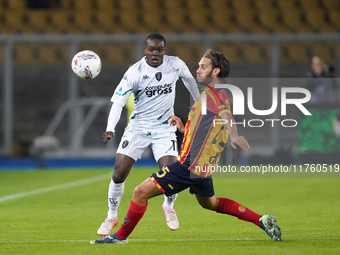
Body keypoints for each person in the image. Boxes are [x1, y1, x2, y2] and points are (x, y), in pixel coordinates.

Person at [91, 49, 282, 244]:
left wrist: (234, 135)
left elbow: (226, 115)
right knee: (212, 203)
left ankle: (119, 237)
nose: (197, 70)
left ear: (215, 72)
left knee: (140, 192)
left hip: (190, 165)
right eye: (198, 66)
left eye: (203, 67)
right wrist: (183, 128)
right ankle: (262, 220)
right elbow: (207, 127)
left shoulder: (214, 96)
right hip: (202, 167)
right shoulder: (213, 95)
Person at [97, 33, 200, 236]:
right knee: (118, 174)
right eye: (151, 49)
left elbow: (189, 81)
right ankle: (111, 215)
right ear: (145, 50)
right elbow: (118, 102)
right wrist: (111, 128)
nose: (155, 53)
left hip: (164, 128)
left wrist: (198, 105)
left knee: (172, 176)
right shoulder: (134, 72)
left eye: (159, 50)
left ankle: (168, 207)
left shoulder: (175, 64)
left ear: (164, 50)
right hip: (138, 128)